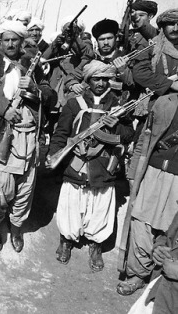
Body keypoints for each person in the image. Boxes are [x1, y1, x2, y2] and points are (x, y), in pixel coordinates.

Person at [46, 60, 134, 270]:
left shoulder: (118, 106)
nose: (101, 84)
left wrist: (117, 127)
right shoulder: (74, 103)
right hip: (77, 164)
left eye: (105, 79)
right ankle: (66, 240)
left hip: (103, 165)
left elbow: (129, 134)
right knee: (71, 203)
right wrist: (53, 156)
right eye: (96, 79)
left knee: (100, 205)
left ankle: (95, 245)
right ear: (88, 80)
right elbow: (61, 134)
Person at [0, 20, 41, 253]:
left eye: (15, 39)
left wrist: (34, 87)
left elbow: (49, 94)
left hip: (29, 130)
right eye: (7, 39)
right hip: (0, 128)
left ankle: (16, 227)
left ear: (22, 42)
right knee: (0, 186)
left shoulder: (32, 63)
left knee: (26, 185)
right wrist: (4, 109)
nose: (11, 43)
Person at [117, 91, 178, 296]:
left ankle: (159, 278)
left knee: (170, 230)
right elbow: (144, 138)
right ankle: (138, 274)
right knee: (140, 222)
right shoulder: (164, 102)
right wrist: (133, 171)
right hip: (151, 172)